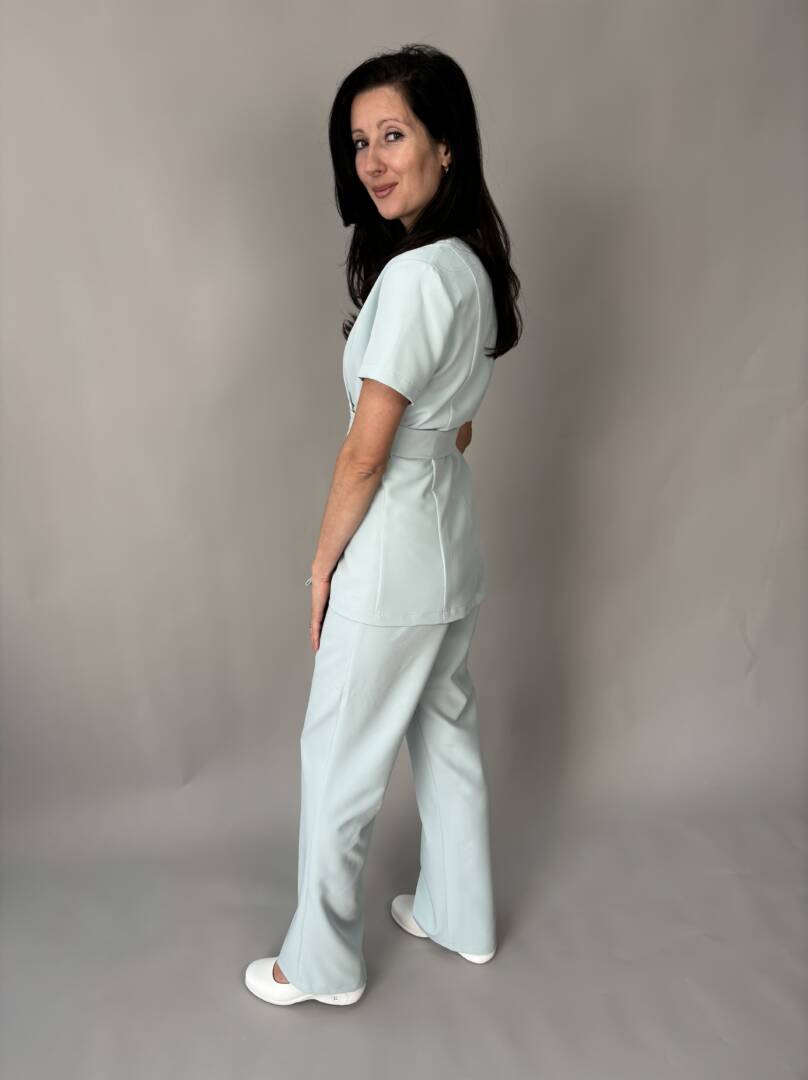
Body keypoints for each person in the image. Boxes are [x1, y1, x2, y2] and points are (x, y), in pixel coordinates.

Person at [245, 43, 522, 1007]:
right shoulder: (473, 268)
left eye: (393, 135)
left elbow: (365, 454)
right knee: (445, 732)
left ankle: (320, 963)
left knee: (340, 758)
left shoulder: (412, 279)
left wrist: (325, 567)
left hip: (394, 555)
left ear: (447, 145)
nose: (371, 160)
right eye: (359, 142)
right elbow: (458, 423)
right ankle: (461, 916)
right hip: (451, 546)